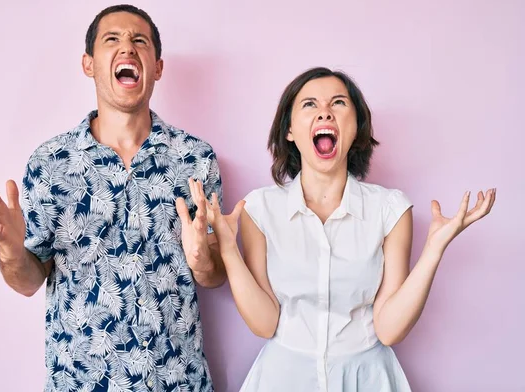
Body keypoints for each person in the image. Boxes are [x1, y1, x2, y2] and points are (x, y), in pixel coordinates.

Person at [192, 67, 496, 391]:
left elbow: (389, 329)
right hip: (283, 379)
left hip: (369, 378)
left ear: (356, 129)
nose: (325, 111)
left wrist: (434, 249)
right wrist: (227, 248)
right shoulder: (258, 209)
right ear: (290, 130)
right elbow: (264, 323)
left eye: (338, 103)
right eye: (309, 104)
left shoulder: (390, 210)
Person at [0, 4, 225, 392]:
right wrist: (12, 253)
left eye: (139, 41)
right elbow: (28, 282)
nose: (127, 48)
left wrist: (202, 259)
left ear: (157, 67)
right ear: (89, 63)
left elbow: (214, 276)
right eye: (112, 39)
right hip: (78, 382)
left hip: (177, 380)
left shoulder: (196, 158)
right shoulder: (51, 162)